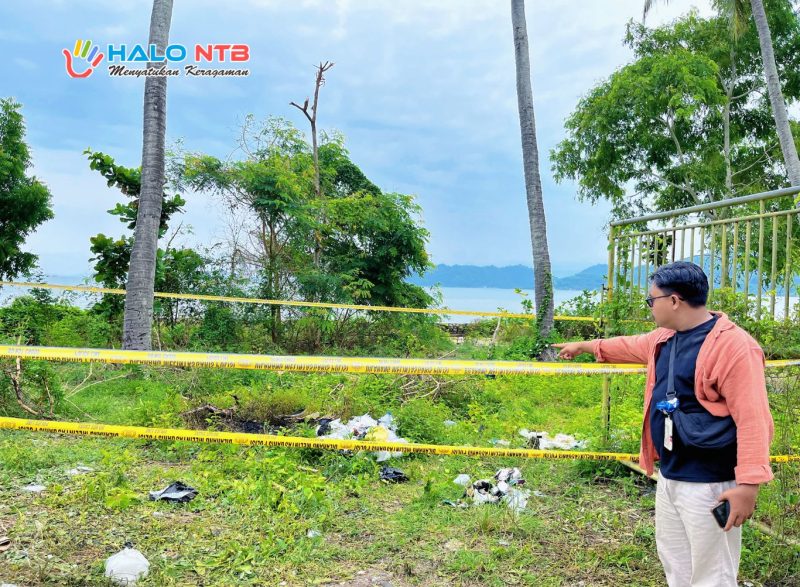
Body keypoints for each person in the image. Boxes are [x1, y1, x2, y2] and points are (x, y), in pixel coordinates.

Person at [553, 261, 773, 587]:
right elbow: (626, 345)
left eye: (651, 300)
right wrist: (584, 346)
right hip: (670, 475)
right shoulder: (665, 338)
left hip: (711, 483)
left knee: (713, 574)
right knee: (677, 565)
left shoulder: (734, 347)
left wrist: (748, 486)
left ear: (674, 301)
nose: (649, 306)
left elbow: (754, 418)